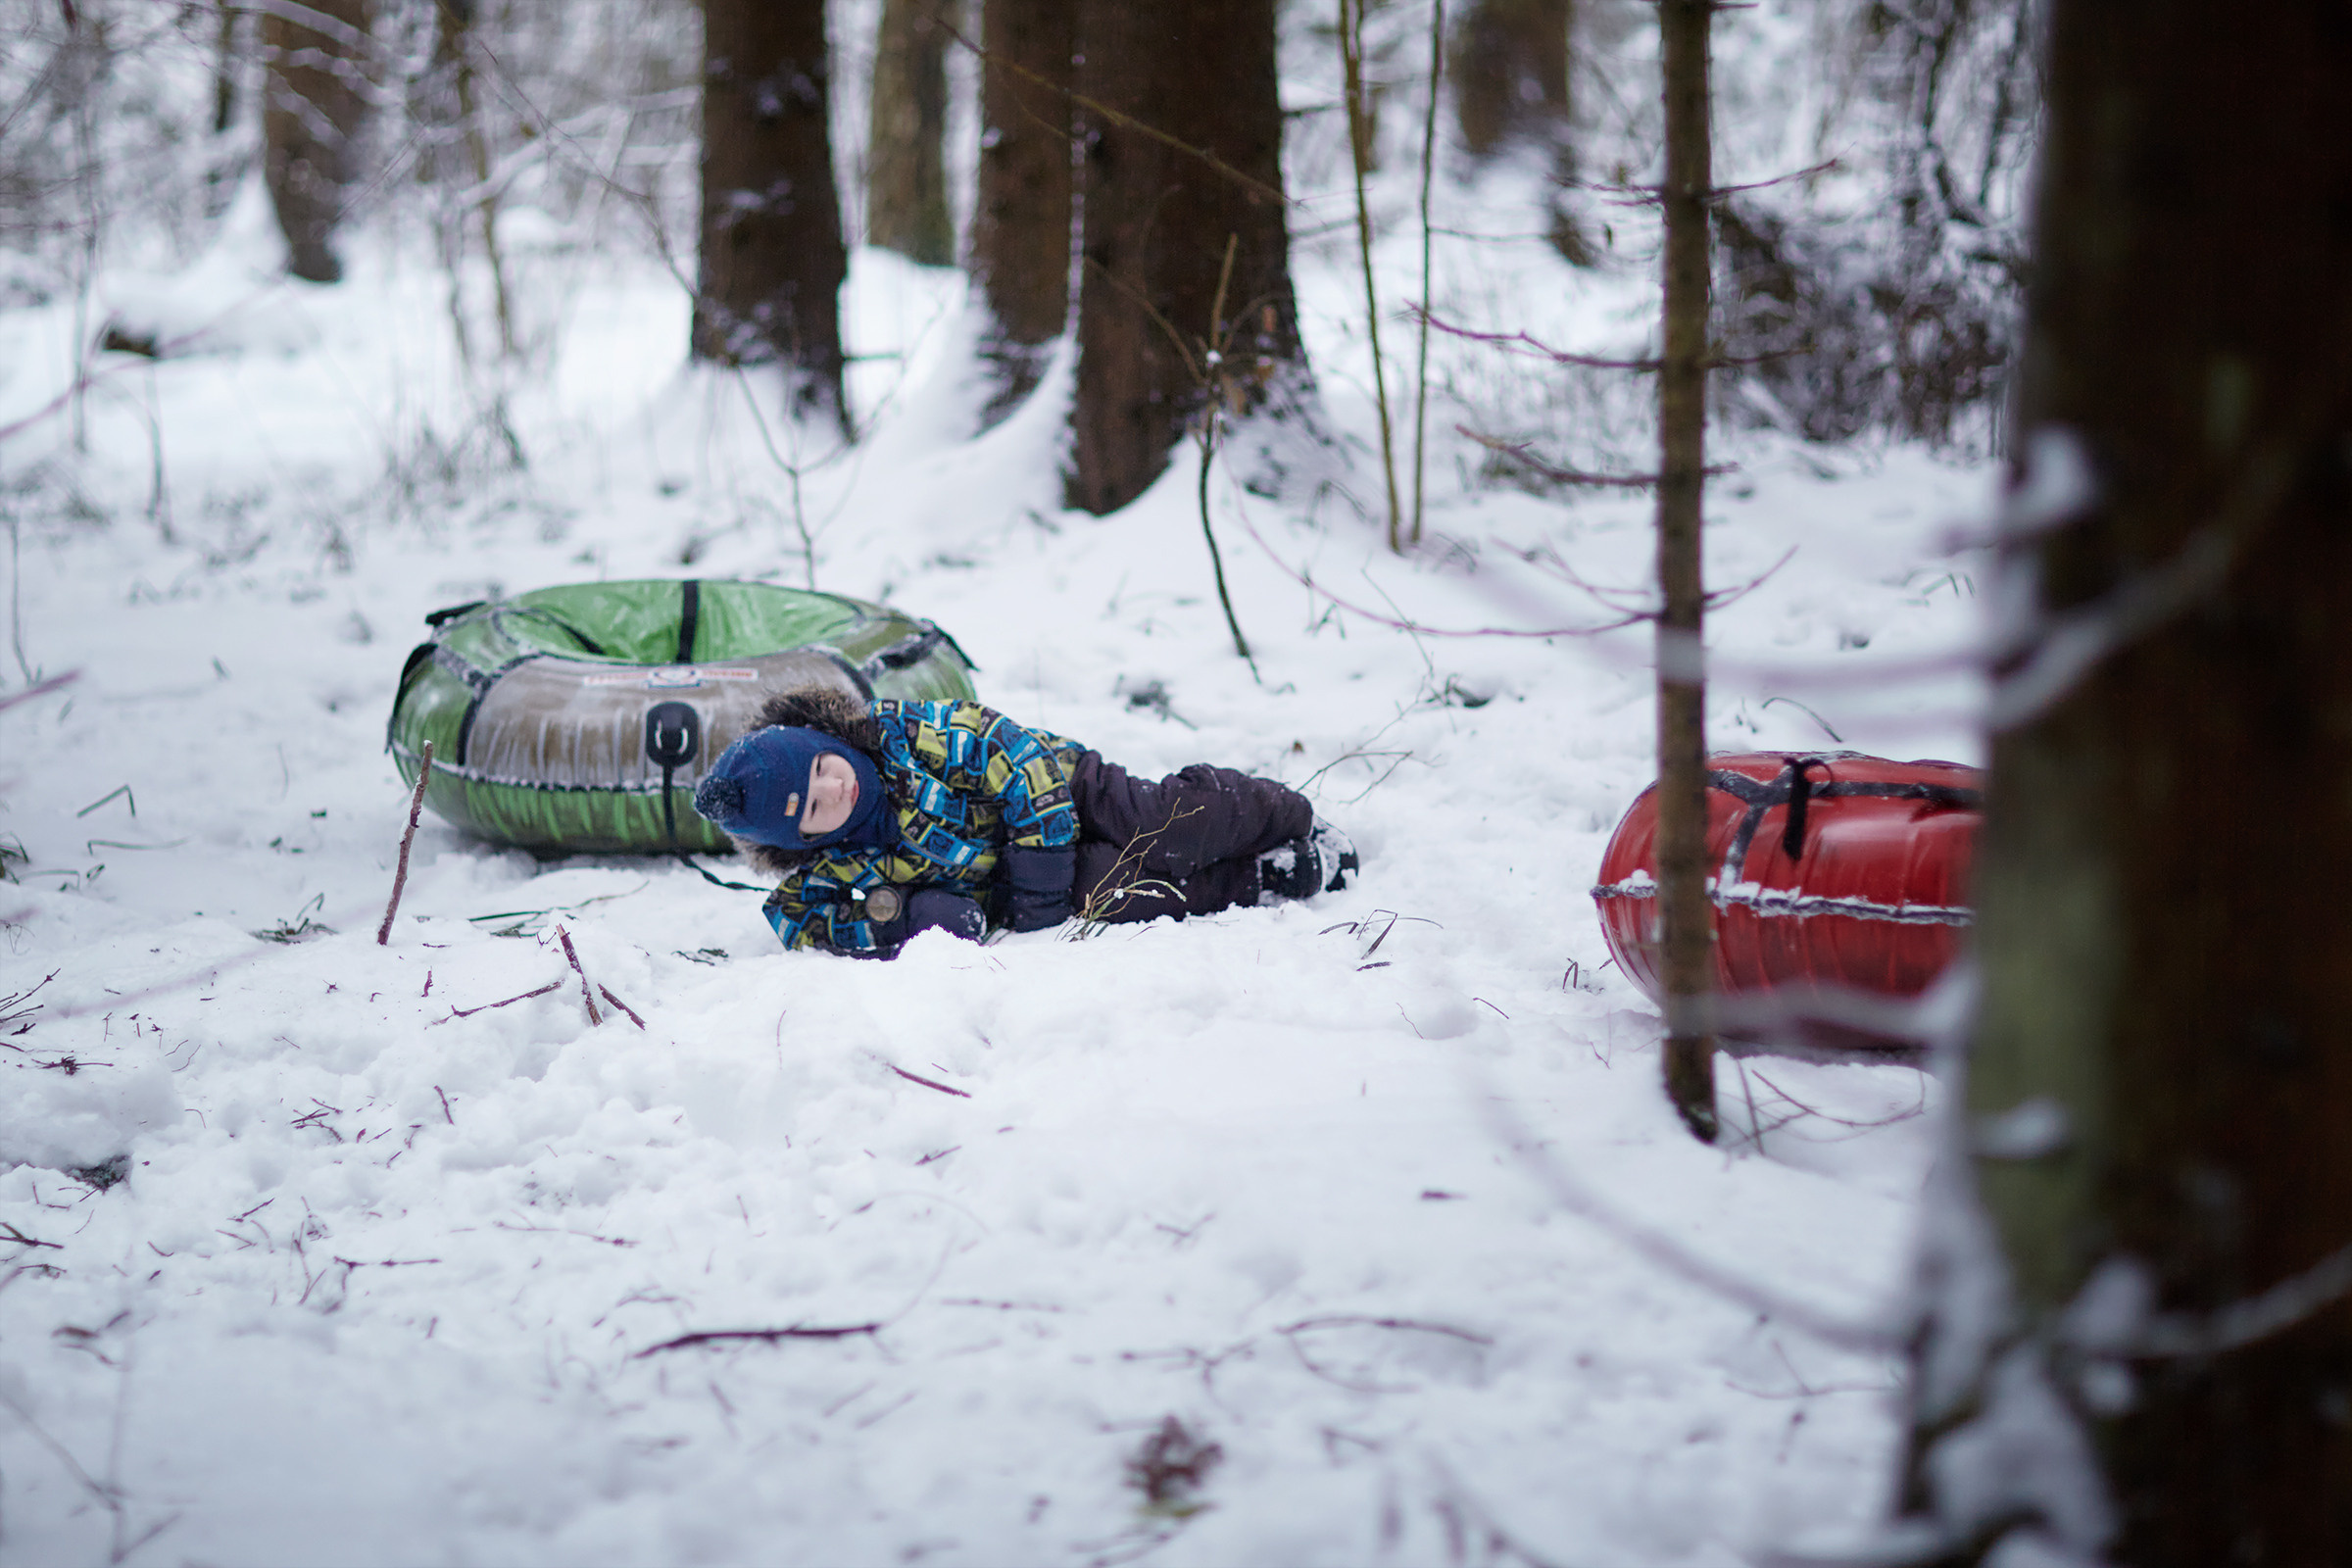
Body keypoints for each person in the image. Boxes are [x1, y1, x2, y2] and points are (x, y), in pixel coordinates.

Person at [690, 687, 1355, 955]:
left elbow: (1006, 751)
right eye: (812, 808)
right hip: (1015, 876)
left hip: (1062, 786)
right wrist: (901, 915)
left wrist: (1040, 868)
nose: (832, 788)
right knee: (1114, 890)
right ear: (804, 839)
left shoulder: (900, 735)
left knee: (1162, 822)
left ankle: (1287, 817)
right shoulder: (831, 868)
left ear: (823, 739)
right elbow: (797, 921)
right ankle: (1262, 878)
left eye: (820, 768)